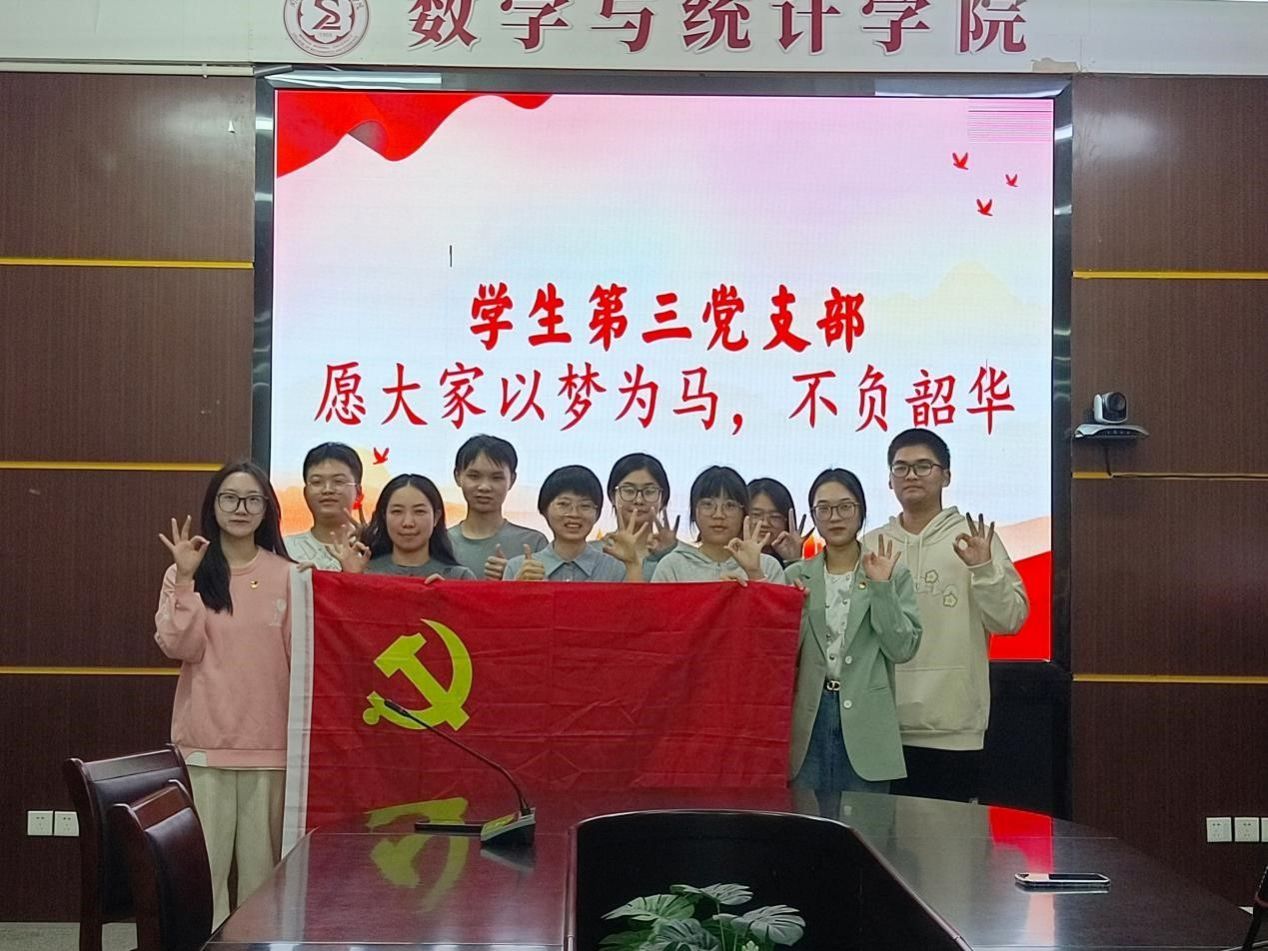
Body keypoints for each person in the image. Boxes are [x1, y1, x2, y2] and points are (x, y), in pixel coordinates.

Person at [153, 461, 293, 928]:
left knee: (261, 878)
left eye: (252, 499)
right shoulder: (186, 572)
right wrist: (186, 580)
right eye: (229, 498)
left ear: (267, 510)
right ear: (213, 506)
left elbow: (304, 662)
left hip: (269, 747)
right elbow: (181, 647)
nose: (241, 508)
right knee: (205, 873)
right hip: (204, 745)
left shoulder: (290, 576)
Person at [863, 428, 1029, 803]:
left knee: (950, 838)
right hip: (882, 727)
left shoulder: (975, 538)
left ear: (946, 476)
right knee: (882, 836)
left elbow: (1010, 620)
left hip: (954, 728)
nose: (911, 475)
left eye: (924, 466)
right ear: (889, 479)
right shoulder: (872, 544)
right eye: (901, 467)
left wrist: (983, 568)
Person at [785, 468, 922, 794]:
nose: (835, 517)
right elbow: (780, 657)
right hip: (809, 719)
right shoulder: (796, 576)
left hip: (867, 721)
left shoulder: (891, 573)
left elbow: (902, 648)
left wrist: (881, 589)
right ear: (813, 516)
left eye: (845, 507)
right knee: (805, 818)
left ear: (861, 510)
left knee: (866, 821)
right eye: (824, 509)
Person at [503, 465, 647, 581]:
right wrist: (519, 589)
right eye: (563, 504)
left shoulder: (616, 569)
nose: (574, 514)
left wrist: (633, 564)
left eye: (585, 506)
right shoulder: (517, 568)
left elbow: (636, 608)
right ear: (544, 509)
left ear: (597, 514)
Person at [650, 466, 785, 584]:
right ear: (694, 512)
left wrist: (754, 573)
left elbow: (776, 607)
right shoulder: (672, 566)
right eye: (708, 504)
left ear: (744, 513)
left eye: (730, 505)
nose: (718, 515)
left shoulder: (767, 566)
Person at [329, 474, 476, 580]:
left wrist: (447, 595)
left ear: (436, 517)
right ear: (384, 516)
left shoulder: (459, 577)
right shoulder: (365, 571)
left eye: (419, 511)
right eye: (397, 512)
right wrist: (351, 578)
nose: (408, 523)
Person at [447, 435, 548, 579]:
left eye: (496, 478)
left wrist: (511, 577)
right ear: (457, 476)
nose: (484, 487)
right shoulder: (440, 543)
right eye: (474, 476)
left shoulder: (533, 543)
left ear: (512, 480)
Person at [594, 452, 682, 577]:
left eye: (649, 491)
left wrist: (670, 553)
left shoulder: (682, 557)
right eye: (629, 491)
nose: (639, 500)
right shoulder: (592, 553)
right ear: (612, 496)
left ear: (663, 499)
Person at [284, 442, 364, 570]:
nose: (327, 490)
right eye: (317, 482)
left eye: (338, 481)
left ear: (358, 492)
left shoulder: (370, 548)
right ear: (305, 493)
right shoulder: (284, 549)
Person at [748, 476, 811, 566]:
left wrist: (793, 560)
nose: (765, 523)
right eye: (756, 514)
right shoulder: (730, 560)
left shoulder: (792, 566)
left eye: (775, 516)